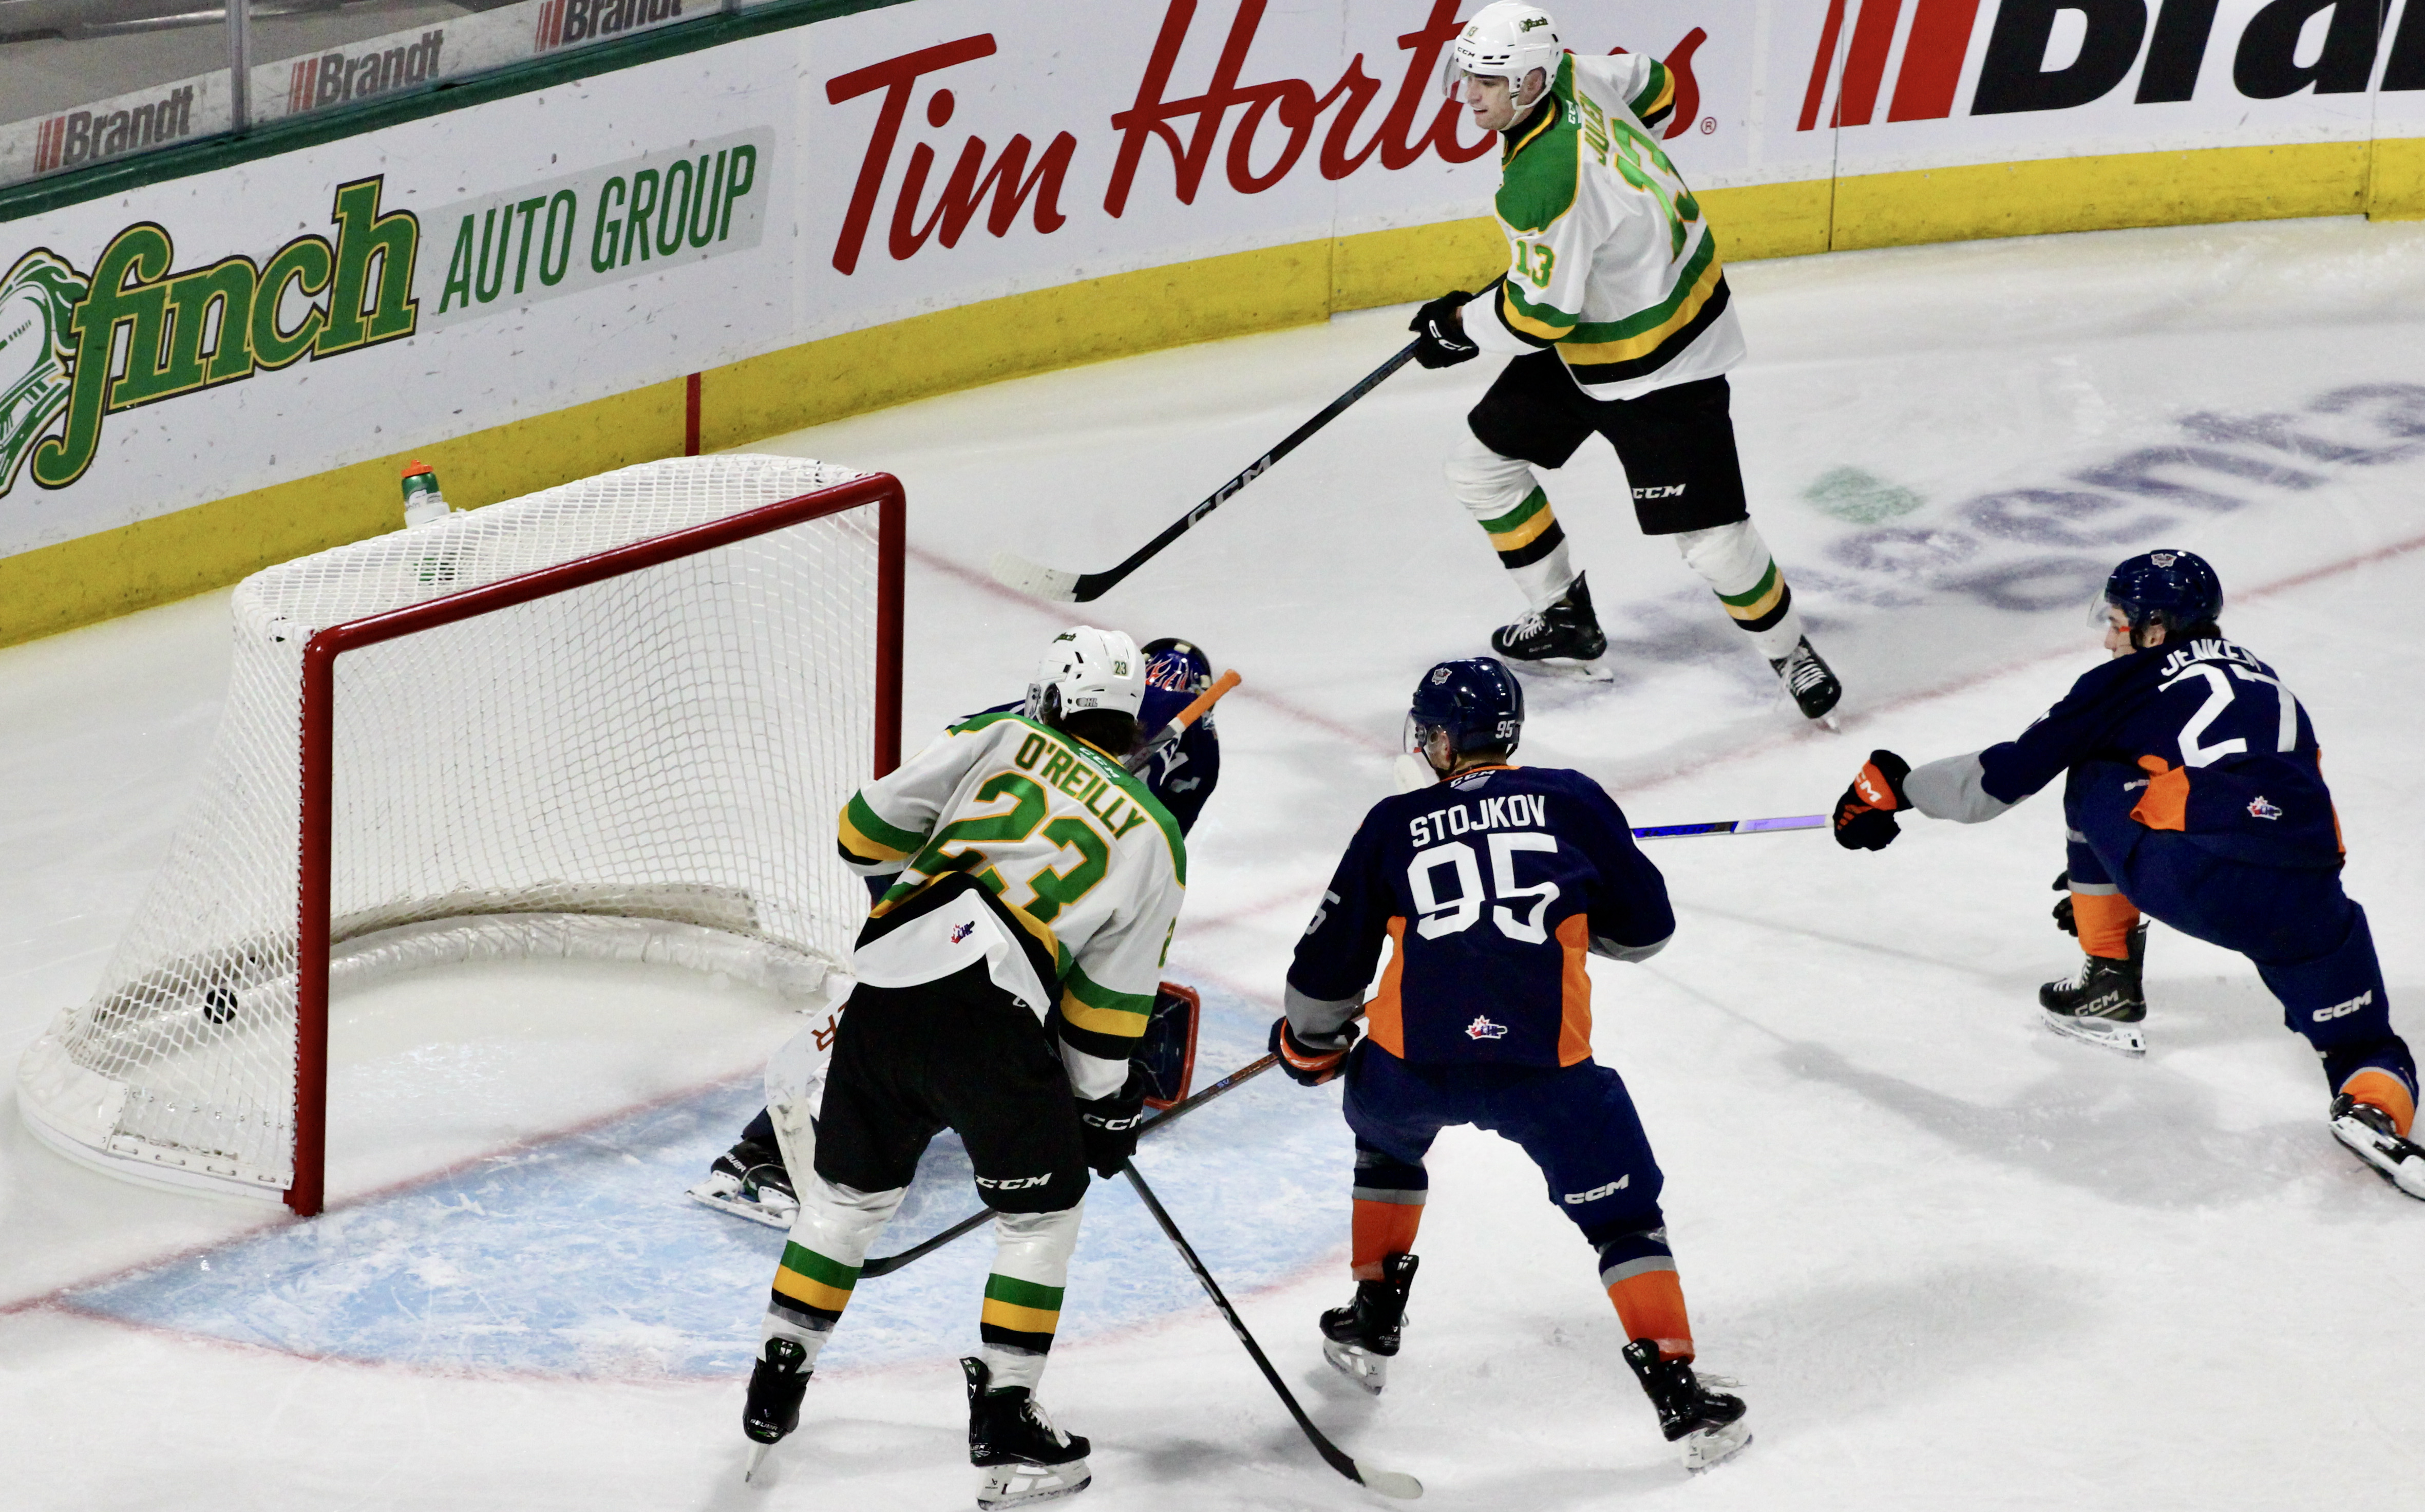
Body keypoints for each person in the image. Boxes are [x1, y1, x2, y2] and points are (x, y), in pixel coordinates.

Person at [740, 627, 1190, 1507]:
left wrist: (930, 881)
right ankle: (1008, 1412)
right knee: (1041, 1211)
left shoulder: (997, 734)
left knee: (842, 1201)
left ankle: (775, 1378)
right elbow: (1106, 1005)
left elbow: (860, 829)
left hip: (883, 992)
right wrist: (1100, 1107)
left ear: (1053, 697)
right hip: (993, 1014)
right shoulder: (1154, 832)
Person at [1270, 657, 1753, 1471]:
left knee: (1384, 1140)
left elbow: (1323, 975)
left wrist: (1309, 1043)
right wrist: (1567, 913)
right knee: (1623, 1218)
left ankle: (1373, 1313)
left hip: (1407, 1067)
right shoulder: (1572, 800)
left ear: (1445, 739)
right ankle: (1677, 1390)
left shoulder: (1393, 821)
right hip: (1545, 1072)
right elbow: (1645, 932)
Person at [1830, 550, 2423, 1200]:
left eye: (2118, 622)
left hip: (2197, 872)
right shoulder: (2265, 677)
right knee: (2365, 1043)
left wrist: (1901, 788)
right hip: (2308, 885)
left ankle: (2106, 976)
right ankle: (2374, 1110)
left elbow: (1999, 782)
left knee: (2092, 771)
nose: (2111, 637)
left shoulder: (2125, 680)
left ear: (2155, 629)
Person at [690, 637, 1223, 1230]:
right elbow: (887, 822)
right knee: (924, 1011)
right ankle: (771, 1149)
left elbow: (1130, 878)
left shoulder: (1196, 756)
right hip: (942, 869)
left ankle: (884, 1127)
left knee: (980, 1028)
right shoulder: (1019, 725)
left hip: (1035, 904)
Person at [1409, 2, 1842, 721]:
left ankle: (1789, 650)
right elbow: (1659, 86)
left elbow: (1539, 316)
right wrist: (1628, 201)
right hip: (1600, 330)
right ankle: (1563, 621)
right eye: (1469, 76)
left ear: (1528, 81)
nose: (1470, 94)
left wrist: (1458, 327)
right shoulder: (1574, 75)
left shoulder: (1542, 181)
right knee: (1480, 468)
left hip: (1664, 357)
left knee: (1710, 542)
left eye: (1488, 81)